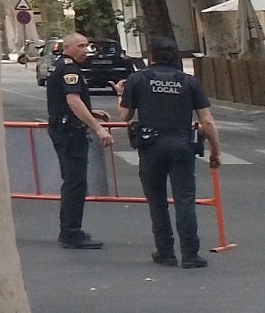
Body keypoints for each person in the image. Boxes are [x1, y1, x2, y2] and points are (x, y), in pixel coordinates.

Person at [120, 36, 222, 268]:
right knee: (184, 200)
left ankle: (165, 251)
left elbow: (124, 115)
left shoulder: (138, 79)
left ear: (151, 56)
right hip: (182, 144)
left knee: (156, 200)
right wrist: (215, 150)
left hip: (151, 146)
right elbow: (207, 121)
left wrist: (120, 93)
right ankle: (190, 254)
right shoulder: (188, 81)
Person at [45, 32, 115, 249]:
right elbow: (73, 101)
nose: (86, 50)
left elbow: (69, 103)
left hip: (64, 127)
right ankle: (71, 233)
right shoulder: (70, 68)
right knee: (75, 182)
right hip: (70, 132)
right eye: (81, 46)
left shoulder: (62, 65)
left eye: (87, 45)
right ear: (67, 47)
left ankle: (70, 230)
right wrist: (98, 128)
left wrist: (92, 113)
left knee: (73, 181)